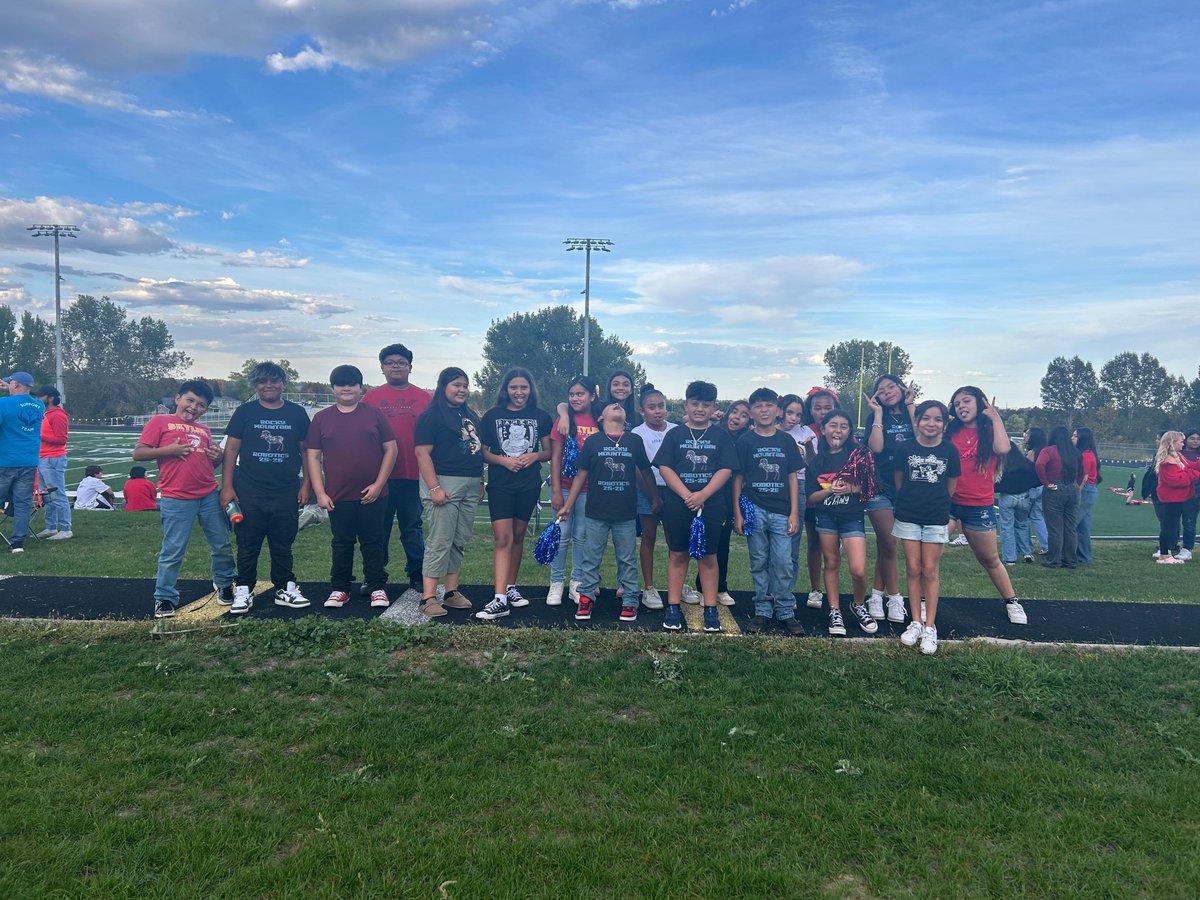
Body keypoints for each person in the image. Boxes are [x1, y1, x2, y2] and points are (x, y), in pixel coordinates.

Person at [133, 379, 235, 618]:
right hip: (177, 497)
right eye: (190, 400)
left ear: (206, 410)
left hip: (208, 493)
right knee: (173, 549)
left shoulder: (205, 430)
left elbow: (211, 463)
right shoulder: (160, 422)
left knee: (222, 544)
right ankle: (164, 597)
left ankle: (224, 583)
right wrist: (168, 451)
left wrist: (216, 456)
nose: (193, 407)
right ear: (177, 398)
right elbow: (138, 453)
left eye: (200, 405)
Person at [221, 362, 313, 615]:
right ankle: (244, 588)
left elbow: (306, 451)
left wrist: (306, 484)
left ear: (283, 382)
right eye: (262, 381)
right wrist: (226, 486)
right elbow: (231, 449)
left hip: (286, 489)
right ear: (256, 385)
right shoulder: (245, 412)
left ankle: (285, 587)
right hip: (249, 488)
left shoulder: (296, 413)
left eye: (274, 380)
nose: (269, 385)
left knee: (282, 543)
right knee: (248, 543)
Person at [304, 365, 397, 610]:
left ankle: (377, 586)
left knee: (373, 541)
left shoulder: (374, 415)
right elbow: (313, 456)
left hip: (373, 494)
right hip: (338, 496)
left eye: (352, 384)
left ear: (360, 388)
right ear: (333, 388)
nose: (347, 388)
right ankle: (340, 588)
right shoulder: (322, 418)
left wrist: (379, 484)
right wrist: (320, 493)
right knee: (342, 542)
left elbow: (391, 450)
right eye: (341, 384)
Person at [559, 402, 657, 623]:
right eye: (611, 406)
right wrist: (567, 506)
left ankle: (631, 600)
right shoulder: (593, 442)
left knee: (627, 558)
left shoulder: (634, 440)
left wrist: (655, 498)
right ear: (601, 418)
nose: (617, 405)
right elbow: (581, 476)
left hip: (625, 513)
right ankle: (586, 597)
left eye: (621, 406)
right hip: (596, 512)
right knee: (591, 558)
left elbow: (646, 472)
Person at [653, 380, 737, 633]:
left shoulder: (720, 435)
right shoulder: (675, 434)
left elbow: (725, 469)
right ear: (686, 404)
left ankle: (710, 607)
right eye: (695, 403)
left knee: (708, 555)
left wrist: (703, 494)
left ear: (714, 407)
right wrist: (687, 494)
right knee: (678, 553)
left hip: (711, 504)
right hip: (679, 504)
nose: (700, 409)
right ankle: (673, 606)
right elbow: (665, 467)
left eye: (706, 404)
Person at [475, 369, 553, 621]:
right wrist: (503, 461)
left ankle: (510, 588)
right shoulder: (492, 416)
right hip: (500, 484)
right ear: (505, 390)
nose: (519, 392)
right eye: (514, 388)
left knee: (518, 536)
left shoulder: (540, 416)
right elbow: (483, 452)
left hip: (529, 485)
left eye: (524, 387)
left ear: (531, 390)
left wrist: (534, 456)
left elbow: (548, 452)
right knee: (502, 538)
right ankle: (499, 599)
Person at [947, 386, 1027, 624]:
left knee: (990, 559)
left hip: (977, 506)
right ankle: (922, 601)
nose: (962, 406)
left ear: (979, 403)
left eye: (966, 401)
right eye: (957, 403)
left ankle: (1012, 601)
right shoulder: (950, 431)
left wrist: (995, 417)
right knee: (930, 557)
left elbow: (1003, 449)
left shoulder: (990, 432)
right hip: (947, 505)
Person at [413, 367, 484, 616]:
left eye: (465, 385)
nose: (462, 390)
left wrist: (481, 481)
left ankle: (451, 592)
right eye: (456, 385)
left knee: (458, 540)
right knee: (440, 540)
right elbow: (422, 454)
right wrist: (434, 487)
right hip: (444, 482)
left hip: (470, 482)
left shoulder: (470, 415)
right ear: (443, 386)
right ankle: (428, 597)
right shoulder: (431, 416)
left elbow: (477, 450)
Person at [733, 388, 804, 635]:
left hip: (782, 510)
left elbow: (793, 477)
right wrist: (738, 512)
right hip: (754, 508)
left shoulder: (786, 441)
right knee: (759, 559)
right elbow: (738, 478)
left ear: (778, 410)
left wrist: (795, 512)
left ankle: (785, 609)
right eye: (758, 406)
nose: (764, 410)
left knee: (783, 561)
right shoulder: (746, 441)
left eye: (768, 405)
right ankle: (763, 608)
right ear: (752, 411)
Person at [893, 400, 961, 654]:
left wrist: (934, 503)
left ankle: (930, 627)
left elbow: (950, 486)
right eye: (926, 418)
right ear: (917, 421)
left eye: (937, 419)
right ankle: (915, 622)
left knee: (930, 570)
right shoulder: (905, 448)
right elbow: (900, 481)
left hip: (936, 516)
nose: (931, 424)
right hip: (908, 515)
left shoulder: (950, 451)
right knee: (913, 568)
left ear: (944, 424)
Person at [361, 344, 431, 591]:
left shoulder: (424, 398)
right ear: (382, 368)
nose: (396, 366)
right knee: (378, 529)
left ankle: (417, 574)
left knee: (412, 527)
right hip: (380, 477)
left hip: (414, 474)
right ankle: (376, 577)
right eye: (390, 362)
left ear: (410, 367)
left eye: (401, 362)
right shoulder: (370, 398)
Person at [806, 409, 879, 637]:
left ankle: (858, 604)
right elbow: (811, 497)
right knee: (831, 562)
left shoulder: (858, 454)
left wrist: (848, 488)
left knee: (858, 569)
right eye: (833, 425)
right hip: (826, 516)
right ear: (824, 429)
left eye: (844, 426)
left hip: (851, 516)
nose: (838, 430)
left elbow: (871, 486)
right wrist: (828, 492)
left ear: (849, 431)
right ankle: (834, 609)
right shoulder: (817, 461)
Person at [862, 375, 916, 623]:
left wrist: (911, 407)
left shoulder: (914, 413)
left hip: (907, 489)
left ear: (901, 388)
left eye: (891, 386)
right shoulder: (875, 417)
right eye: (881, 390)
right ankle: (894, 597)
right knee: (890, 543)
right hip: (879, 486)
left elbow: (921, 441)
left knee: (886, 546)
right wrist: (878, 415)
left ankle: (875, 596)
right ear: (876, 397)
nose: (887, 392)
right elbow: (877, 448)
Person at [548, 376, 600, 605]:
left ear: (592, 396)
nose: (575, 398)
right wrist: (556, 491)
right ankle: (556, 583)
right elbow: (556, 457)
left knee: (582, 537)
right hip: (567, 487)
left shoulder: (600, 419)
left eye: (580, 393)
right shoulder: (563, 420)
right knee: (561, 536)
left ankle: (577, 582)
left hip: (590, 491)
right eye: (572, 394)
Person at [700, 399, 750, 607]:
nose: (737, 417)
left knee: (722, 543)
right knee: (707, 541)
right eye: (734, 412)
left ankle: (720, 587)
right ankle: (703, 588)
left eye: (744, 415)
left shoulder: (746, 440)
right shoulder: (714, 433)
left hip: (730, 495)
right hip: (710, 493)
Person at [795, 389, 839, 609]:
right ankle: (815, 589)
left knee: (831, 545)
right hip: (812, 494)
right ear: (810, 410)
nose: (822, 412)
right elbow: (810, 465)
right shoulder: (804, 431)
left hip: (836, 496)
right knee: (814, 542)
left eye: (827, 408)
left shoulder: (840, 429)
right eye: (817, 408)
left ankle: (833, 591)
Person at [631, 384, 673, 609]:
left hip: (674, 490)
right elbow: (638, 470)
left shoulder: (676, 430)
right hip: (647, 490)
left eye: (661, 406)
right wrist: (653, 496)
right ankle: (649, 587)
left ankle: (675, 585)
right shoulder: (637, 434)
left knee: (674, 541)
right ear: (642, 410)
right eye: (651, 407)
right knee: (648, 538)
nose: (657, 411)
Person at [0, 372, 45, 553]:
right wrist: (8, 388)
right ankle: (17, 542)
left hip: (5, 460)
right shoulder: (39, 405)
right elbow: (20, 404)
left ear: (16, 384)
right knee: (22, 504)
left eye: (11, 383)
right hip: (28, 460)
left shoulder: (3, 403)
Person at [1036, 426, 1083, 569]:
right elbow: (1082, 471)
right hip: (1072, 487)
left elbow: (1039, 464)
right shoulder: (1075, 452)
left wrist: (1046, 482)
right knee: (1070, 527)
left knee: (1055, 527)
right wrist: (1076, 485)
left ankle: (1054, 560)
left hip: (1055, 489)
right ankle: (1070, 560)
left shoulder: (1049, 450)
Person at [1152, 431, 1200, 564]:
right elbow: (1178, 480)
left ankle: (1166, 553)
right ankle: (1164, 554)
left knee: (1171, 525)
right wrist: (1194, 474)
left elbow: (1190, 466)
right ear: (1172, 443)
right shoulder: (1168, 460)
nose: (1183, 444)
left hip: (1178, 498)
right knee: (1168, 526)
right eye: (1180, 441)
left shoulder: (1178, 456)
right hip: (1170, 498)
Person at [34, 385, 72, 540]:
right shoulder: (46, 414)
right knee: (46, 496)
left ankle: (65, 528)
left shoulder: (57, 415)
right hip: (43, 457)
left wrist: (40, 436)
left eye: (40, 396)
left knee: (57, 494)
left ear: (50, 398)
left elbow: (61, 439)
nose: (37, 399)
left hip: (53, 458)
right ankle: (50, 527)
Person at [994, 445, 1041, 565]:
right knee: (1023, 524)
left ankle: (1010, 558)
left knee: (1007, 527)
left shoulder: (1001, 465)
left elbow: (994, 483)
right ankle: (1027, 553)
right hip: (1024, 497)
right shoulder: (1026, 464)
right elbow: (1037, 479)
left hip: (1007, 497)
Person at [1073, 427, 1101, 563]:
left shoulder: (1084, 455)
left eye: (1075, 436)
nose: (1072, 438)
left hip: (1085, 490)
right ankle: (1084, 556)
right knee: (1083, 526)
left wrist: (1076, 492)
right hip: (1090, 490)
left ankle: (1065, 554)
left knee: (1071, 523)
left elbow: (1083, 477)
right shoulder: (1090, 454)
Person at [1023, 428, 1049, 553]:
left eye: (1027, 433)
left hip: (1032, 488)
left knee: (1025, 518)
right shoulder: (1046, 451)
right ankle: (1047, 545)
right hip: (1042, 487)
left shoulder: (1032, 453)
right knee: (1037, 516)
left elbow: (1027, 472)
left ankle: (1026, 547)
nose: (1025, 435)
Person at [1178, 430, 1200, 561]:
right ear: (1185, 440)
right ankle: (1170, 545)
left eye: (1198, 438)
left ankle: (1187, 548)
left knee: (1189, 521)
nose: (1195, 441)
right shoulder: (1177, 454)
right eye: (1192, 438)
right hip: (1179, 492)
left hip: (1195, 494)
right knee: (1173, 521)